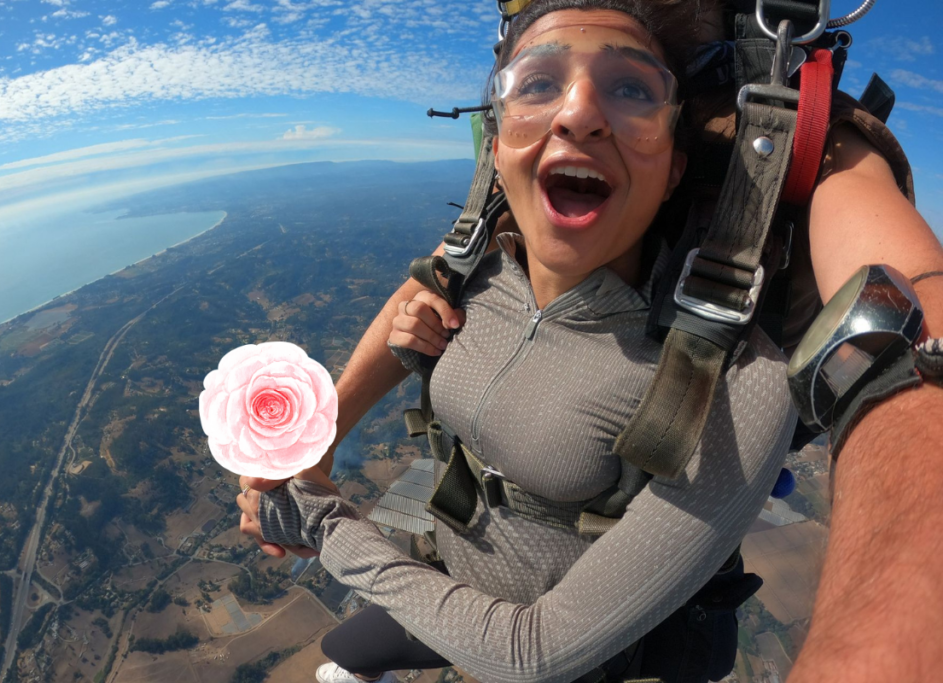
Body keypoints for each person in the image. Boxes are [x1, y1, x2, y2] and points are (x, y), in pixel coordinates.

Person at [237, 1, 943, 682]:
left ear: (673, 168)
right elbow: (420, 284)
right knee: (344, 646)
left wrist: (323, 518)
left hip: (571, 655)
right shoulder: (484, 262)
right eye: (539, 83)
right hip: (446, 575)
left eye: (632, 88)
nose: (577, 112)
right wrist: (316, 435)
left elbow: (532, 654)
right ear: (500, 142)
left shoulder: (734, 378)